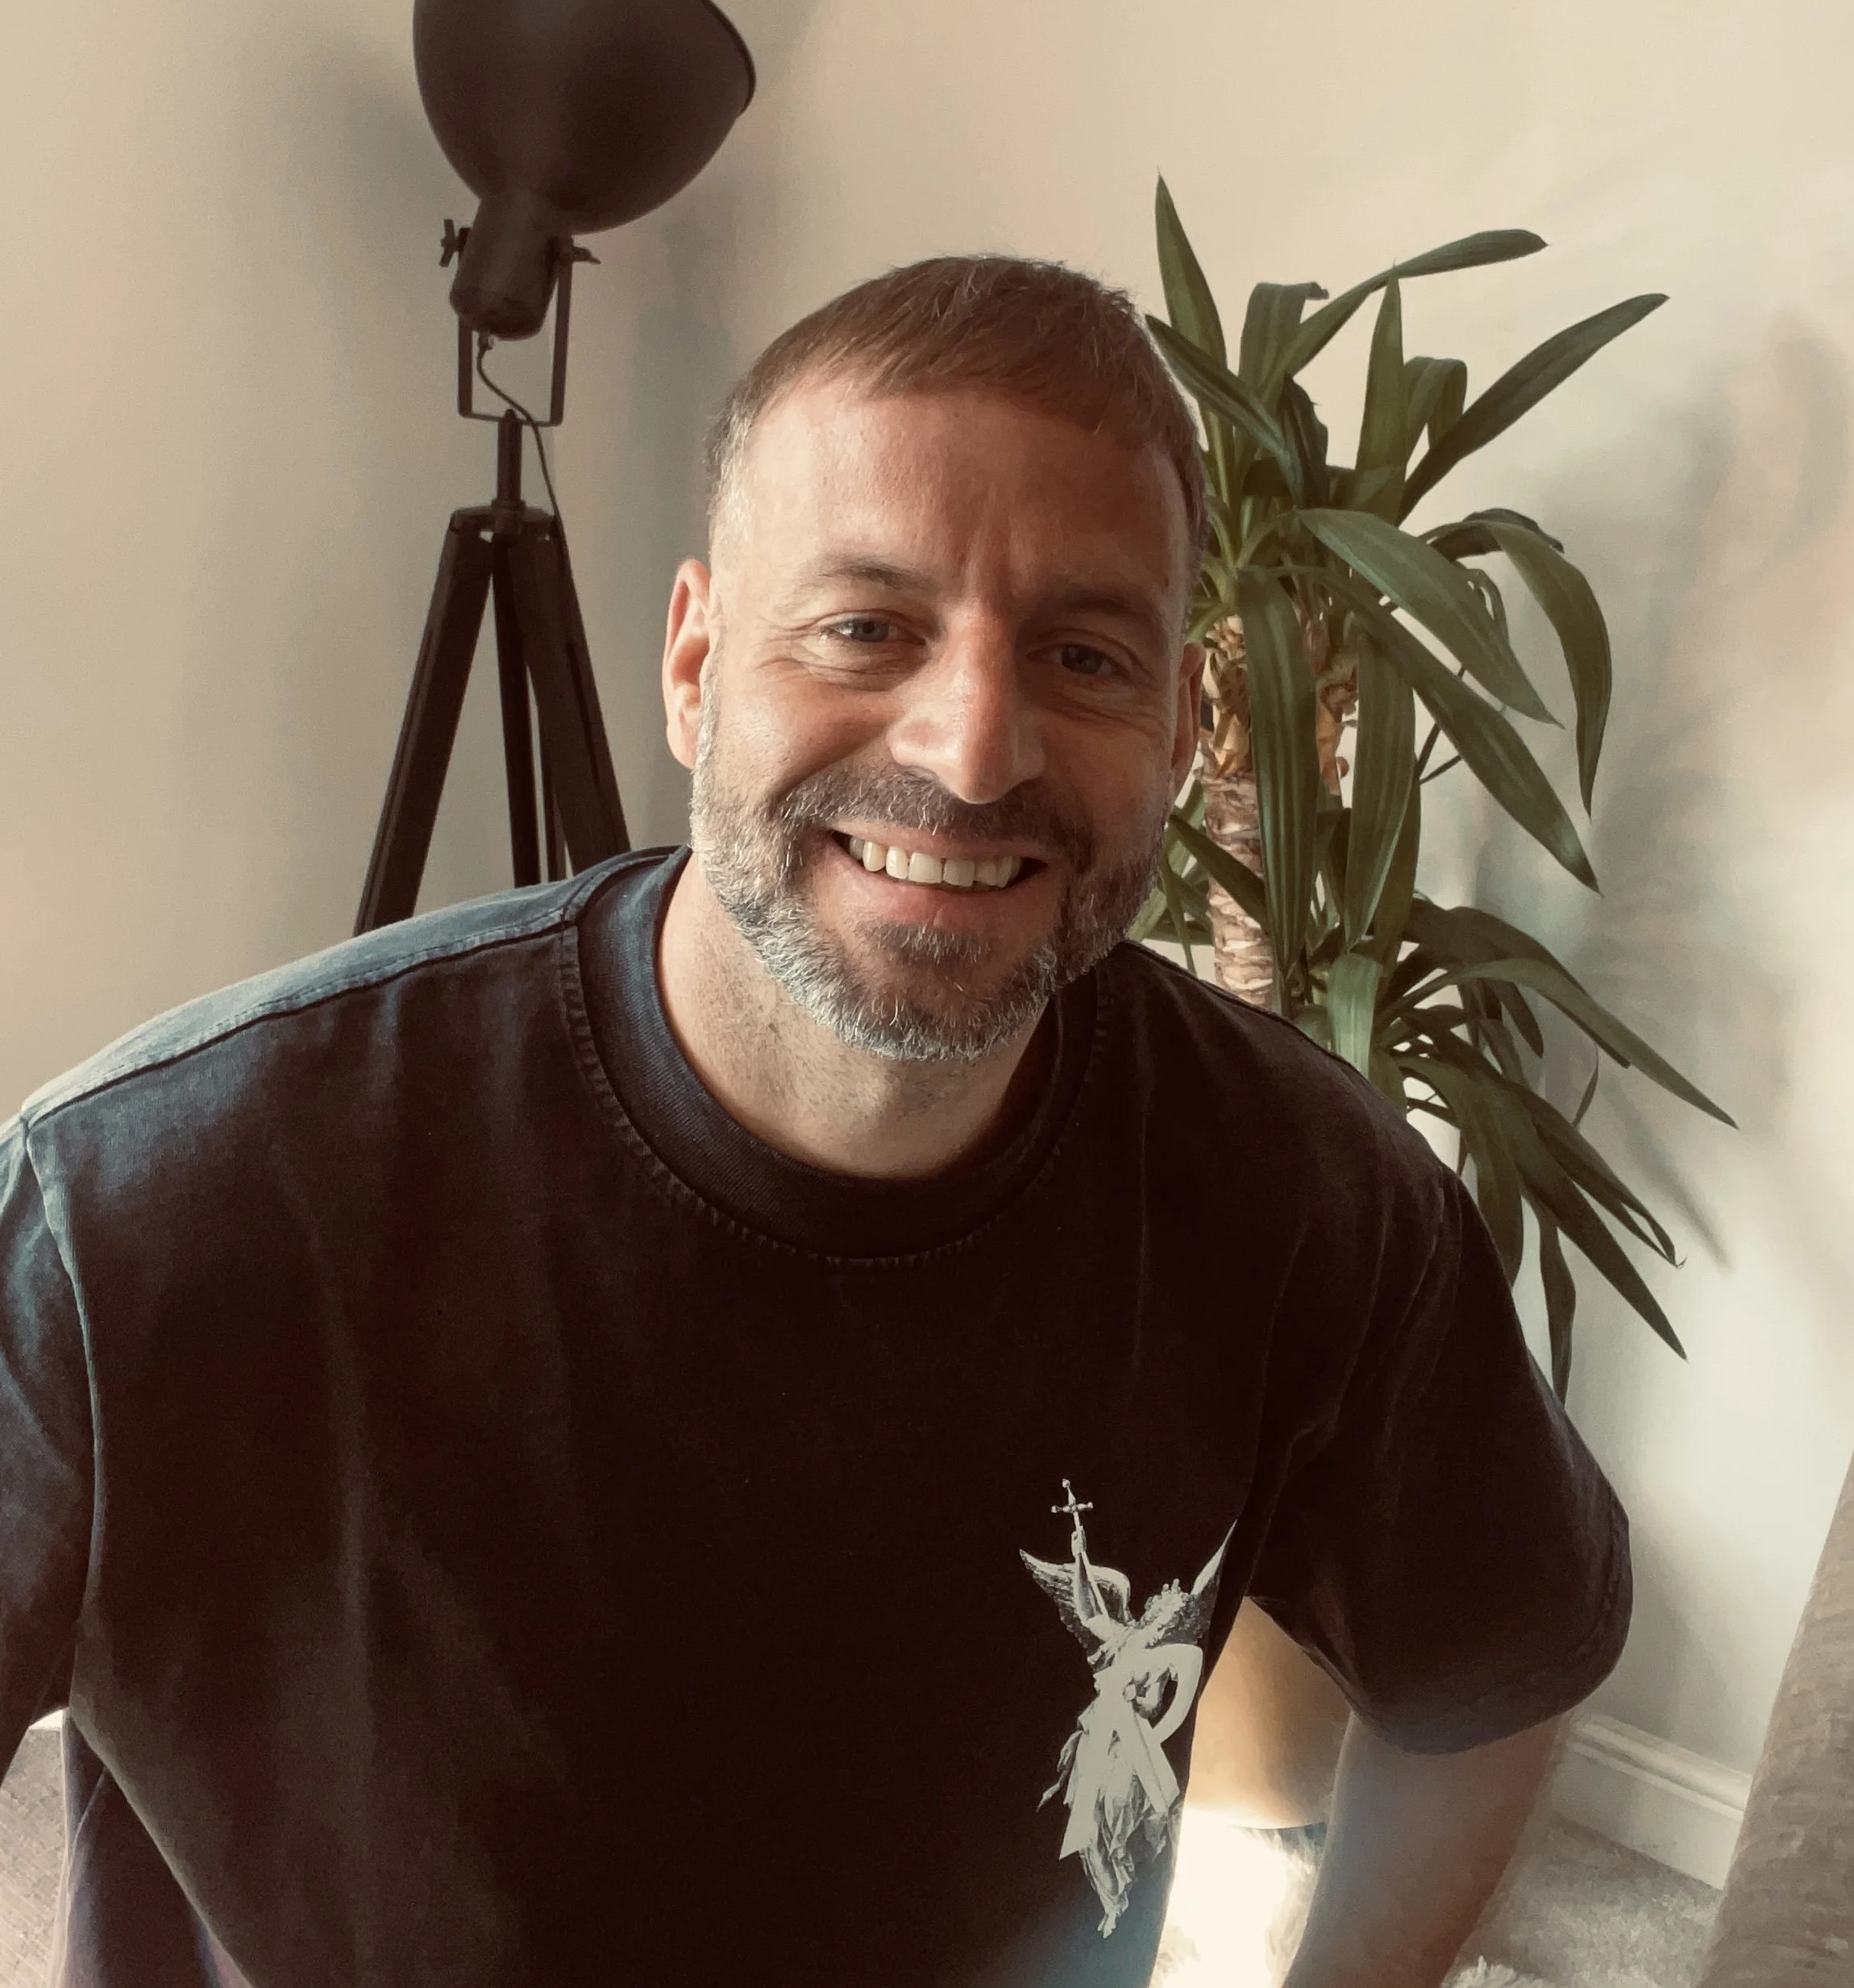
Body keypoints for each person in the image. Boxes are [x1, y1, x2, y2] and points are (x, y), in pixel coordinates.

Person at [0, 256, 1629, 1988]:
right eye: (869, 625)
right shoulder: (154, 1204)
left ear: (1174, 730)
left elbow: (1495, 1672)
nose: (977, 743)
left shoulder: (1310, 1196)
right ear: (697, 661)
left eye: (1085, 653)